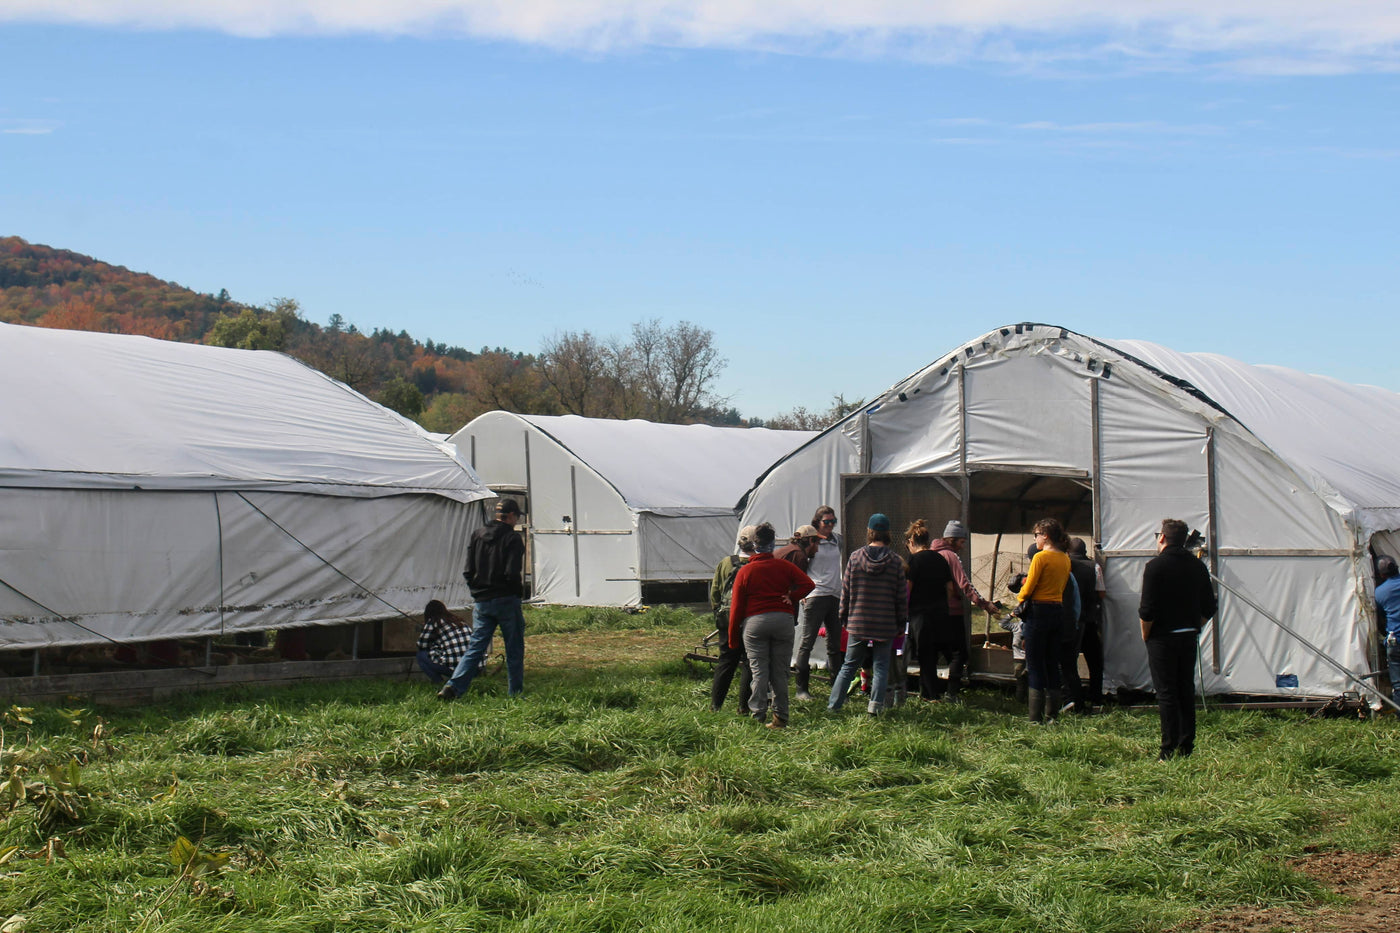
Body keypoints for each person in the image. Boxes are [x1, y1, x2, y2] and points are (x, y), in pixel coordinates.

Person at [1139, 518, 1218, 760]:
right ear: (1185, 540)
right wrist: (1195, 625)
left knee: (1166, 693)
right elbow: (1210, 606)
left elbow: (1147, 610)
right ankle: (1186, 746)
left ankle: (1167, 749)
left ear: (1161, 537)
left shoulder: (1155, 566)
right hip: (1188, 635)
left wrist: (1146, 634)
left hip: (1162, 637)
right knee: (1185, 690)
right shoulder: (1197, 566)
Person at [438, 498, 527, 701]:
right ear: (511, 516)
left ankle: (453, 686)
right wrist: (516, 593)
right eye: (516, 517)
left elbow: (469, 570)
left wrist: (477, 591)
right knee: (513, 647)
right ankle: (515, 693)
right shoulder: (512, 539)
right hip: (505, 599)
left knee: (476, 647)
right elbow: (512, 572)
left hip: (482, 601)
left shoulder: (477, 534)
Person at [729, 522, 815, 728]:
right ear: (773, 544)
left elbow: (737, 608)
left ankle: (758, 714)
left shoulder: (746, 571)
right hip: (783, 620)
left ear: (754, 545)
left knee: (759, 671)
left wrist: (733, 637)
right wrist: (792, 597)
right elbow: (809, 584)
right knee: (781, 671)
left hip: (755, 623)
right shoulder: (785, 566)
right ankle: (781, 717)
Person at [828, 513, 908, 717]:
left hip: (858, 620)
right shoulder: (895, 562)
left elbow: (846, 591)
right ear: (888, 533)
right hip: (885, 622)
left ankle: (834, 705)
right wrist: (901, 622)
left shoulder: (855, 557)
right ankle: (875, 707)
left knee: (849, 665)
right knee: (881, 665)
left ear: (869, 532)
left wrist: (843, 617)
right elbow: (901, 596)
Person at [928, 520, 997, 697]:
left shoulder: (930, 554)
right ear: (952, 539)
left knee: (934, 652)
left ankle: (930, 692)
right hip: (952, 612)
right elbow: (964, 583)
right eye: (961, 541)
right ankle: (952, 693)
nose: (962, 546)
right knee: (959, 654)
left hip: (932, 612)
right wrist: (984, 604)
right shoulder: (951, 556)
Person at [1016, 518, 1073, 723]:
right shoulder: (1065, 558)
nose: (1036, 539)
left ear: (1045, 535)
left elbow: (1029, 588)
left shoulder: (1041, 558)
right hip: (1057, 611)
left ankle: (1035, 718)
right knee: (1051, 663)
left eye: (1037, 535)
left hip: (1038, 612)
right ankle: (1052, 715)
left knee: (1035, 664)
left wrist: (1019, 596)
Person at [904, 519, 959, 701]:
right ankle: (927, 692)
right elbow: (950, 589)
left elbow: (908, 589)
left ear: (912, 542)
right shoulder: (940, 559)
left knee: (924, 656)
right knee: (934, 654)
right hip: (941, 612)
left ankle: (932, 695)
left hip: (920, 615)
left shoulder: (914, 561)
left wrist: (903, 609)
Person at [795, 506, 843, 702]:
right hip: (815, 594)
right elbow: (799, 564)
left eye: (833, 521)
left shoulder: (837, 540)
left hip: (834, 594)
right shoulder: (811, 540)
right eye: (826, 522)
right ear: (817, 522)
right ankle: (801, 689)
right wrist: (801, 592)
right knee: (807, 642)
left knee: (835, 644)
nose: (830, 525)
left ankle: (837, 688)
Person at [709, 525, 758, 714]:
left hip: (727, 618)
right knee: (749, 662)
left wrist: (718, 613)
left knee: (726, 660)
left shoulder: (726, 562)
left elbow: (715, 591)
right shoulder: (758, 564)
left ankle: (716, 705)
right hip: (750, 619)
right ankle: (743, 707)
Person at [1066, 537, 1106, 712]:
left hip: (1071, 620)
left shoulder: (1065, 565)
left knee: (1069, 661)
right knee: (1095, 662)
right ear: (1085, 552)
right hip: (1089, 620)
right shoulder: (1094, 566)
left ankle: (1073, 698)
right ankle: (1096, 698)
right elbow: (1102, 593)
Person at [416, 599, 474, 684]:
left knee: (421, 655)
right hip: (474, 667)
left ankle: (438, 682)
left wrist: (426, 629)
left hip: (455, 668)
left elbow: (421, 645)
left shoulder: (433, 622)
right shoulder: (460, 621)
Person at [1378, 556, 1400, 708]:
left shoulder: (1380, 592)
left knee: (1398, 685)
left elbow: (1381, 616)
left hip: (1395, 640)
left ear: (1381, 575)